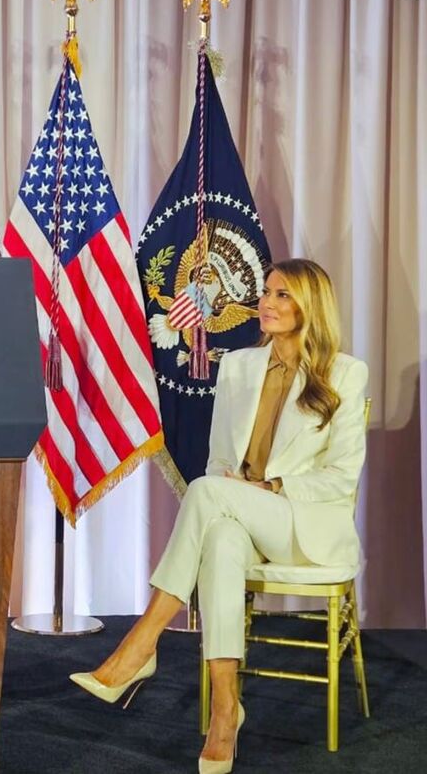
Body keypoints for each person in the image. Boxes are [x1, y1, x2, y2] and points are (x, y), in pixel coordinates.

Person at [69, 259, 368, 774]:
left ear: (311, 306)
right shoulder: (238, 366)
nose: (266, 303)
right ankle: (226, 713)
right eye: (267, 292)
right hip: (239, 514)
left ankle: (142, 642)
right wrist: (237, 490)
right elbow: (218, 463)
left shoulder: (345, 373)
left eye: (282, 295)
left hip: (303, 525)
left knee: (207, 493)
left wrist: (269, 488)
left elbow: (341, 478)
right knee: (222, 536)